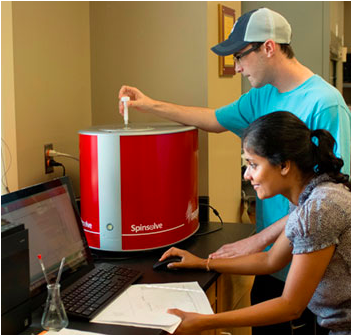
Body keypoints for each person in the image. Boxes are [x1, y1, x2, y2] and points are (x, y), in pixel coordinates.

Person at [119, 7, 351, 333]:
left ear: (269, 47)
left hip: (314, 274)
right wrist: (148, 104)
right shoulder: (261, 96)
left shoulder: (324, 104)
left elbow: (332, 193)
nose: (237, 67)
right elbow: (213, 119)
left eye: (241, 56)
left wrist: (257, 240)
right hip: (274, 260)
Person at [159, 111, 351, 335]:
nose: (246, 175)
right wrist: (203, 263)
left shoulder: (319, 210)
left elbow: (291, 307)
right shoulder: (310, 195)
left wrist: (203, 321)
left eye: (253, 164)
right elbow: (271, 260)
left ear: (284, 165)